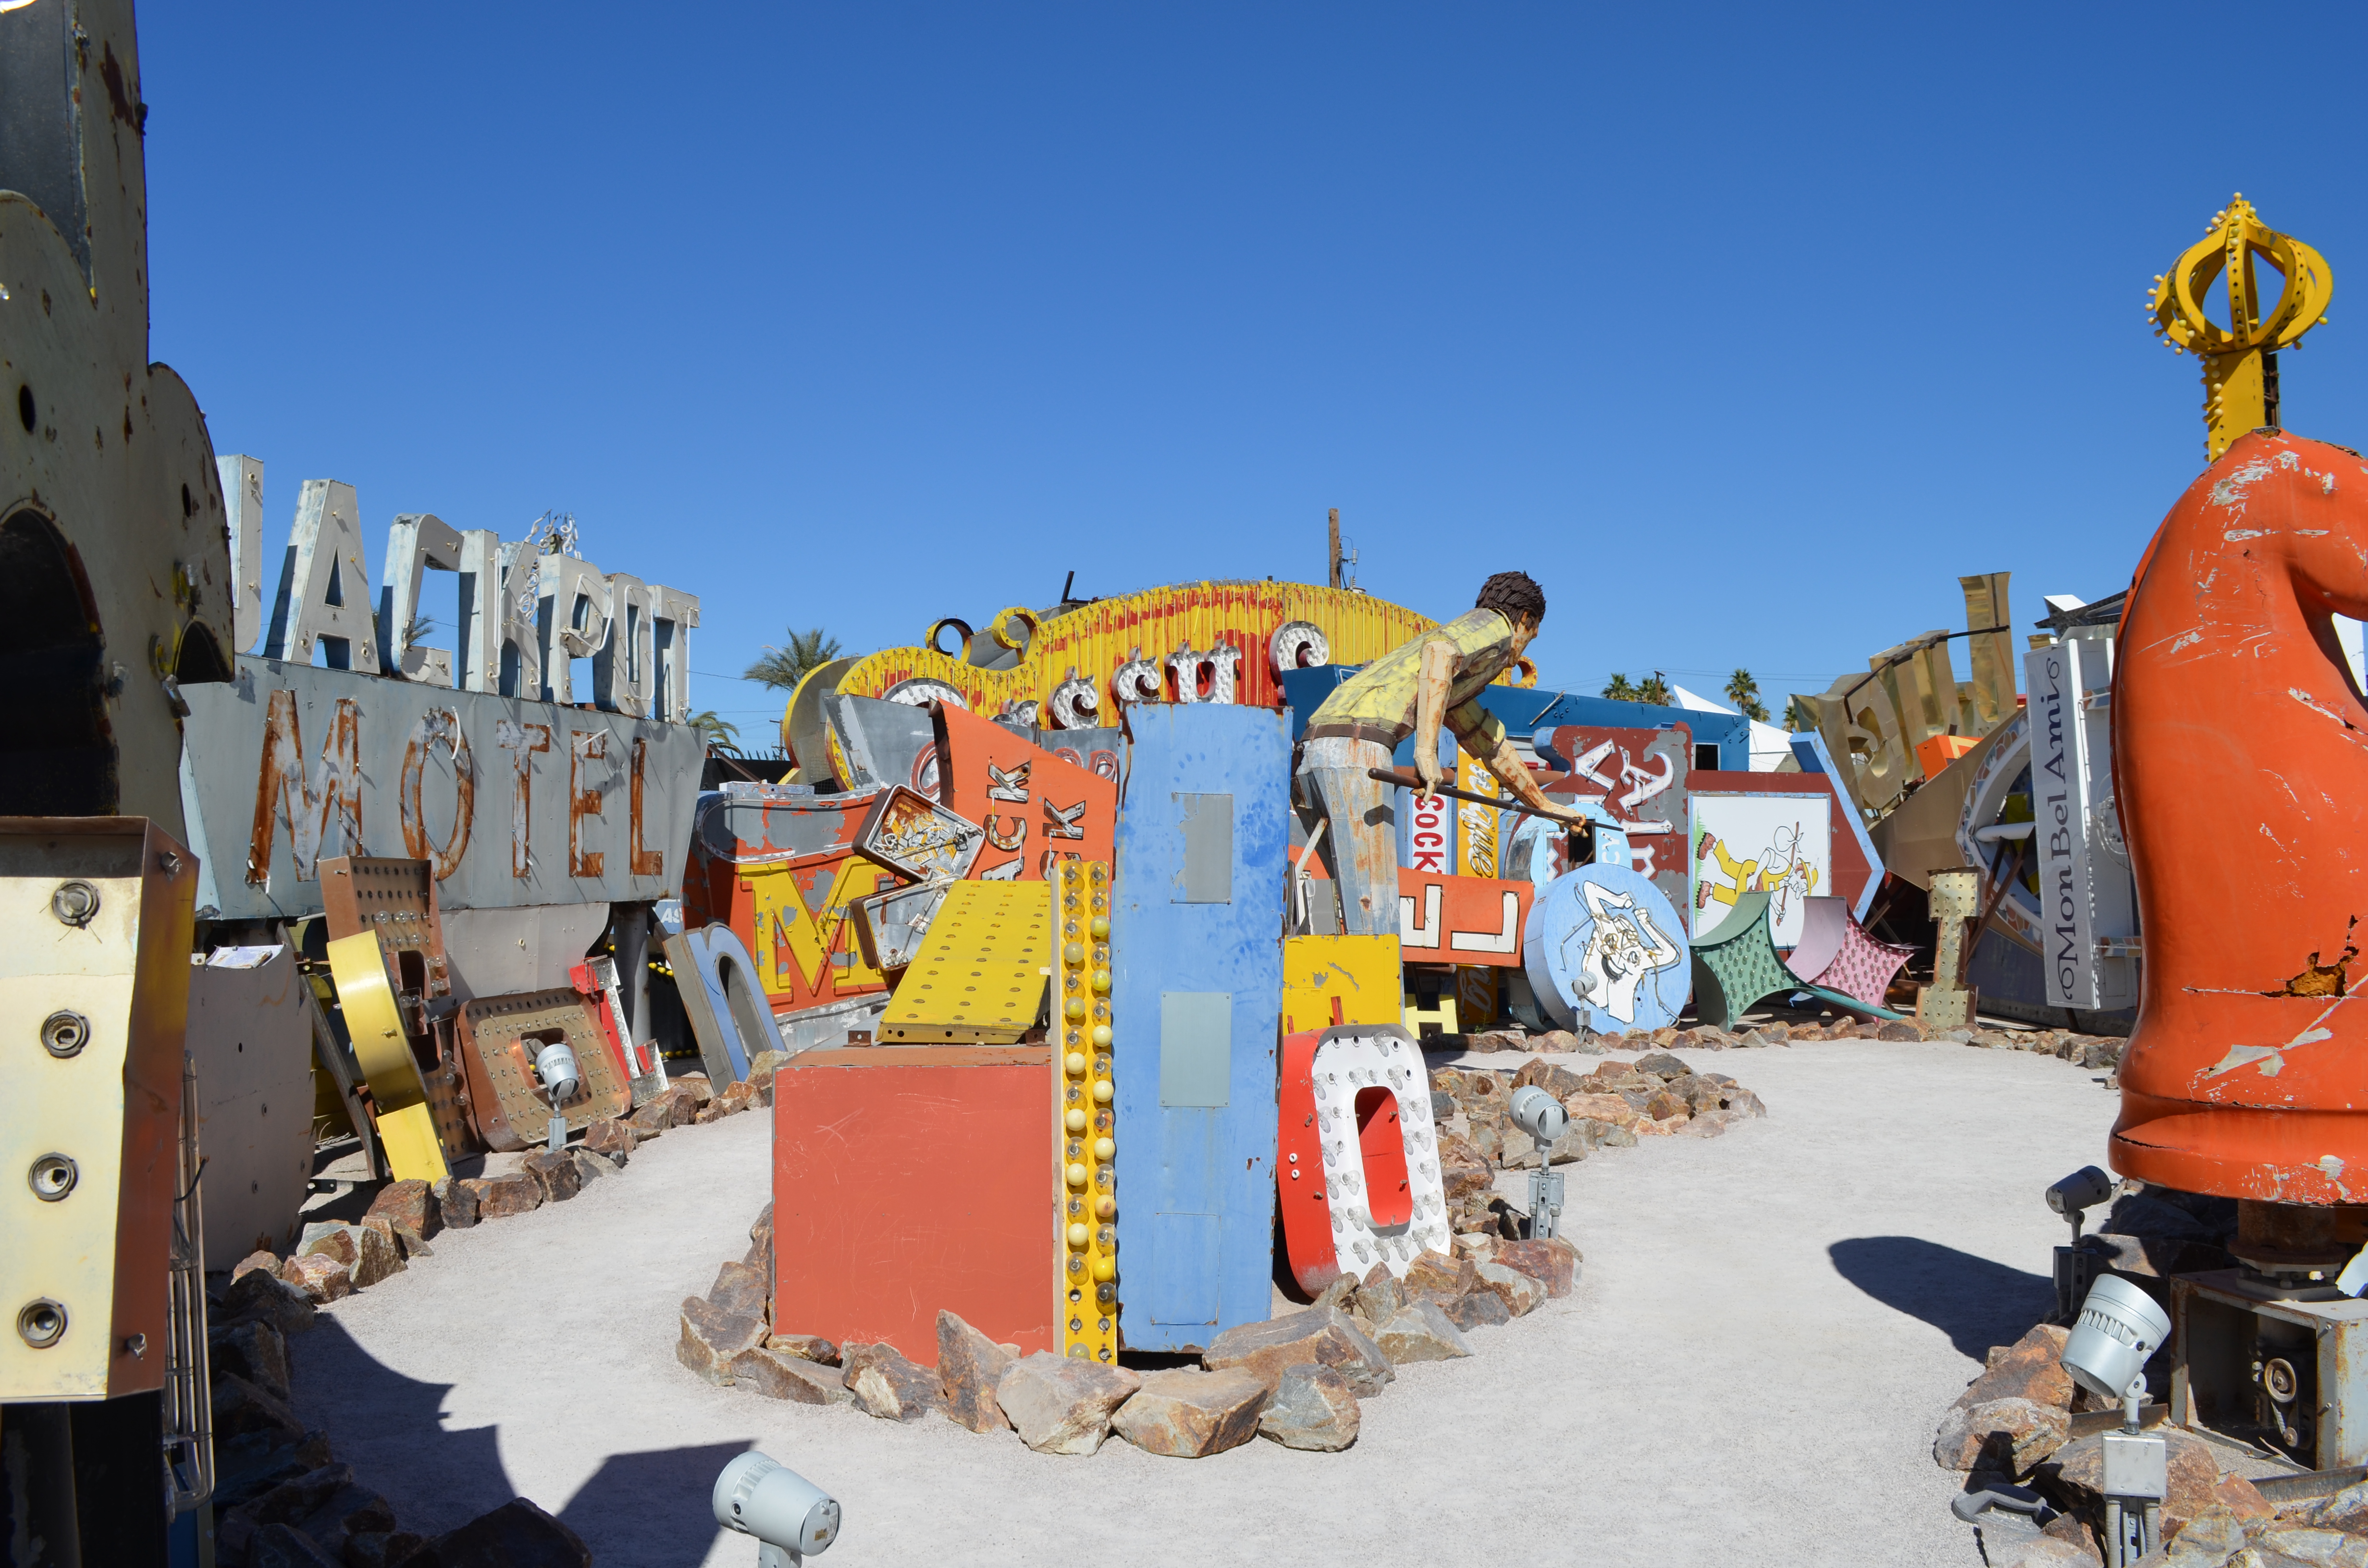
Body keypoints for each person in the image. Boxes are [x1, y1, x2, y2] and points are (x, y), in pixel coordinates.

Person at [1297, 570, 1590, 935]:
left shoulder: (1448, 680)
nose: (1526, 646)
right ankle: (1376, 991)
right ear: (1525, 621)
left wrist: (1543, 806)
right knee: (1374, 909)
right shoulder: (1494, 624)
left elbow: (1489, 741)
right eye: (1532, 635)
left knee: (1341, 903)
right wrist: (1426, 750)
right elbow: (1442, 652)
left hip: (1316, 747)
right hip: (1360, 746)